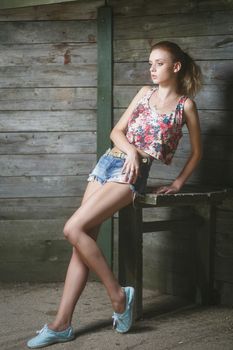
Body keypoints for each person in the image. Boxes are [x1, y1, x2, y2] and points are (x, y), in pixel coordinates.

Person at [27, 41, 202, 348]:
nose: (152, 68)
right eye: (150, 63)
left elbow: (198, 152)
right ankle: (61, 324)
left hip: (132, 174)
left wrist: (178, 183)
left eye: (159, 63)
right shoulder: (144, 93)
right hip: (109, 162)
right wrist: (131, 152)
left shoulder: (184, 105)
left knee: (73, 229)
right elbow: (116, 132)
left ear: (176, 66)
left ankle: (118, 295)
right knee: (82, 242)